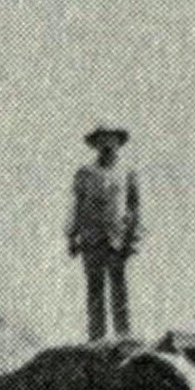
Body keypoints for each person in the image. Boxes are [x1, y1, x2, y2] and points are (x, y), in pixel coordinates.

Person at [68, 125, 143, 340]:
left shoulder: (127, 173)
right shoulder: (84, 173)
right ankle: (97, 337)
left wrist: (133, 237)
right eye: (103, 140)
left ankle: (123, 334)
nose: (108, 145)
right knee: (94, 287)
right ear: (96, 144)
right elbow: (76, 206)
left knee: (119, 286)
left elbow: (134, 207)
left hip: (117, 238)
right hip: (91, 237)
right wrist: (72, 236)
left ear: (118, 143)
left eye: (112, 140)